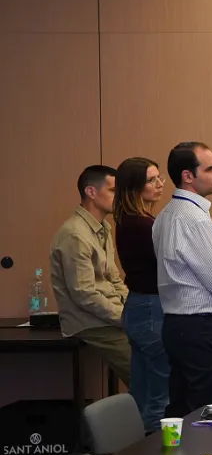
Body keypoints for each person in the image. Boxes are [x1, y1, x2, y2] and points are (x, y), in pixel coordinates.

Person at [153, 141, 212, 417]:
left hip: (176, 325)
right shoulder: (195, 219)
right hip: (201, 327)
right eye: (210, 169)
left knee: (183, 407)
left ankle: (182, 449)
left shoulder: (164, 216)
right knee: (210, 411)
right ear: (188, 175)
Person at [48, 165, 131, 389]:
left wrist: (133, 309)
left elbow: (114, 279)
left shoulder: (104, 227)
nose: (119, 197)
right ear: (91, 192)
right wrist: (125, 318)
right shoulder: (75, 234)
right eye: (113, 190)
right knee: (148, 370)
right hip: (89, 322)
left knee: (160, 347)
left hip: (108, 316)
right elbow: (84, 294)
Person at [114, 157, 170, 432]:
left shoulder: (130, 220)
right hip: (150, 307)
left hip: (139, 306)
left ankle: (136, 446)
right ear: (134, 187)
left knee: (143, 389)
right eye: (151, 180)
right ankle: (154, 450)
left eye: (159, 177)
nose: (159, 184)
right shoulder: (142, 225)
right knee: (159, 393)